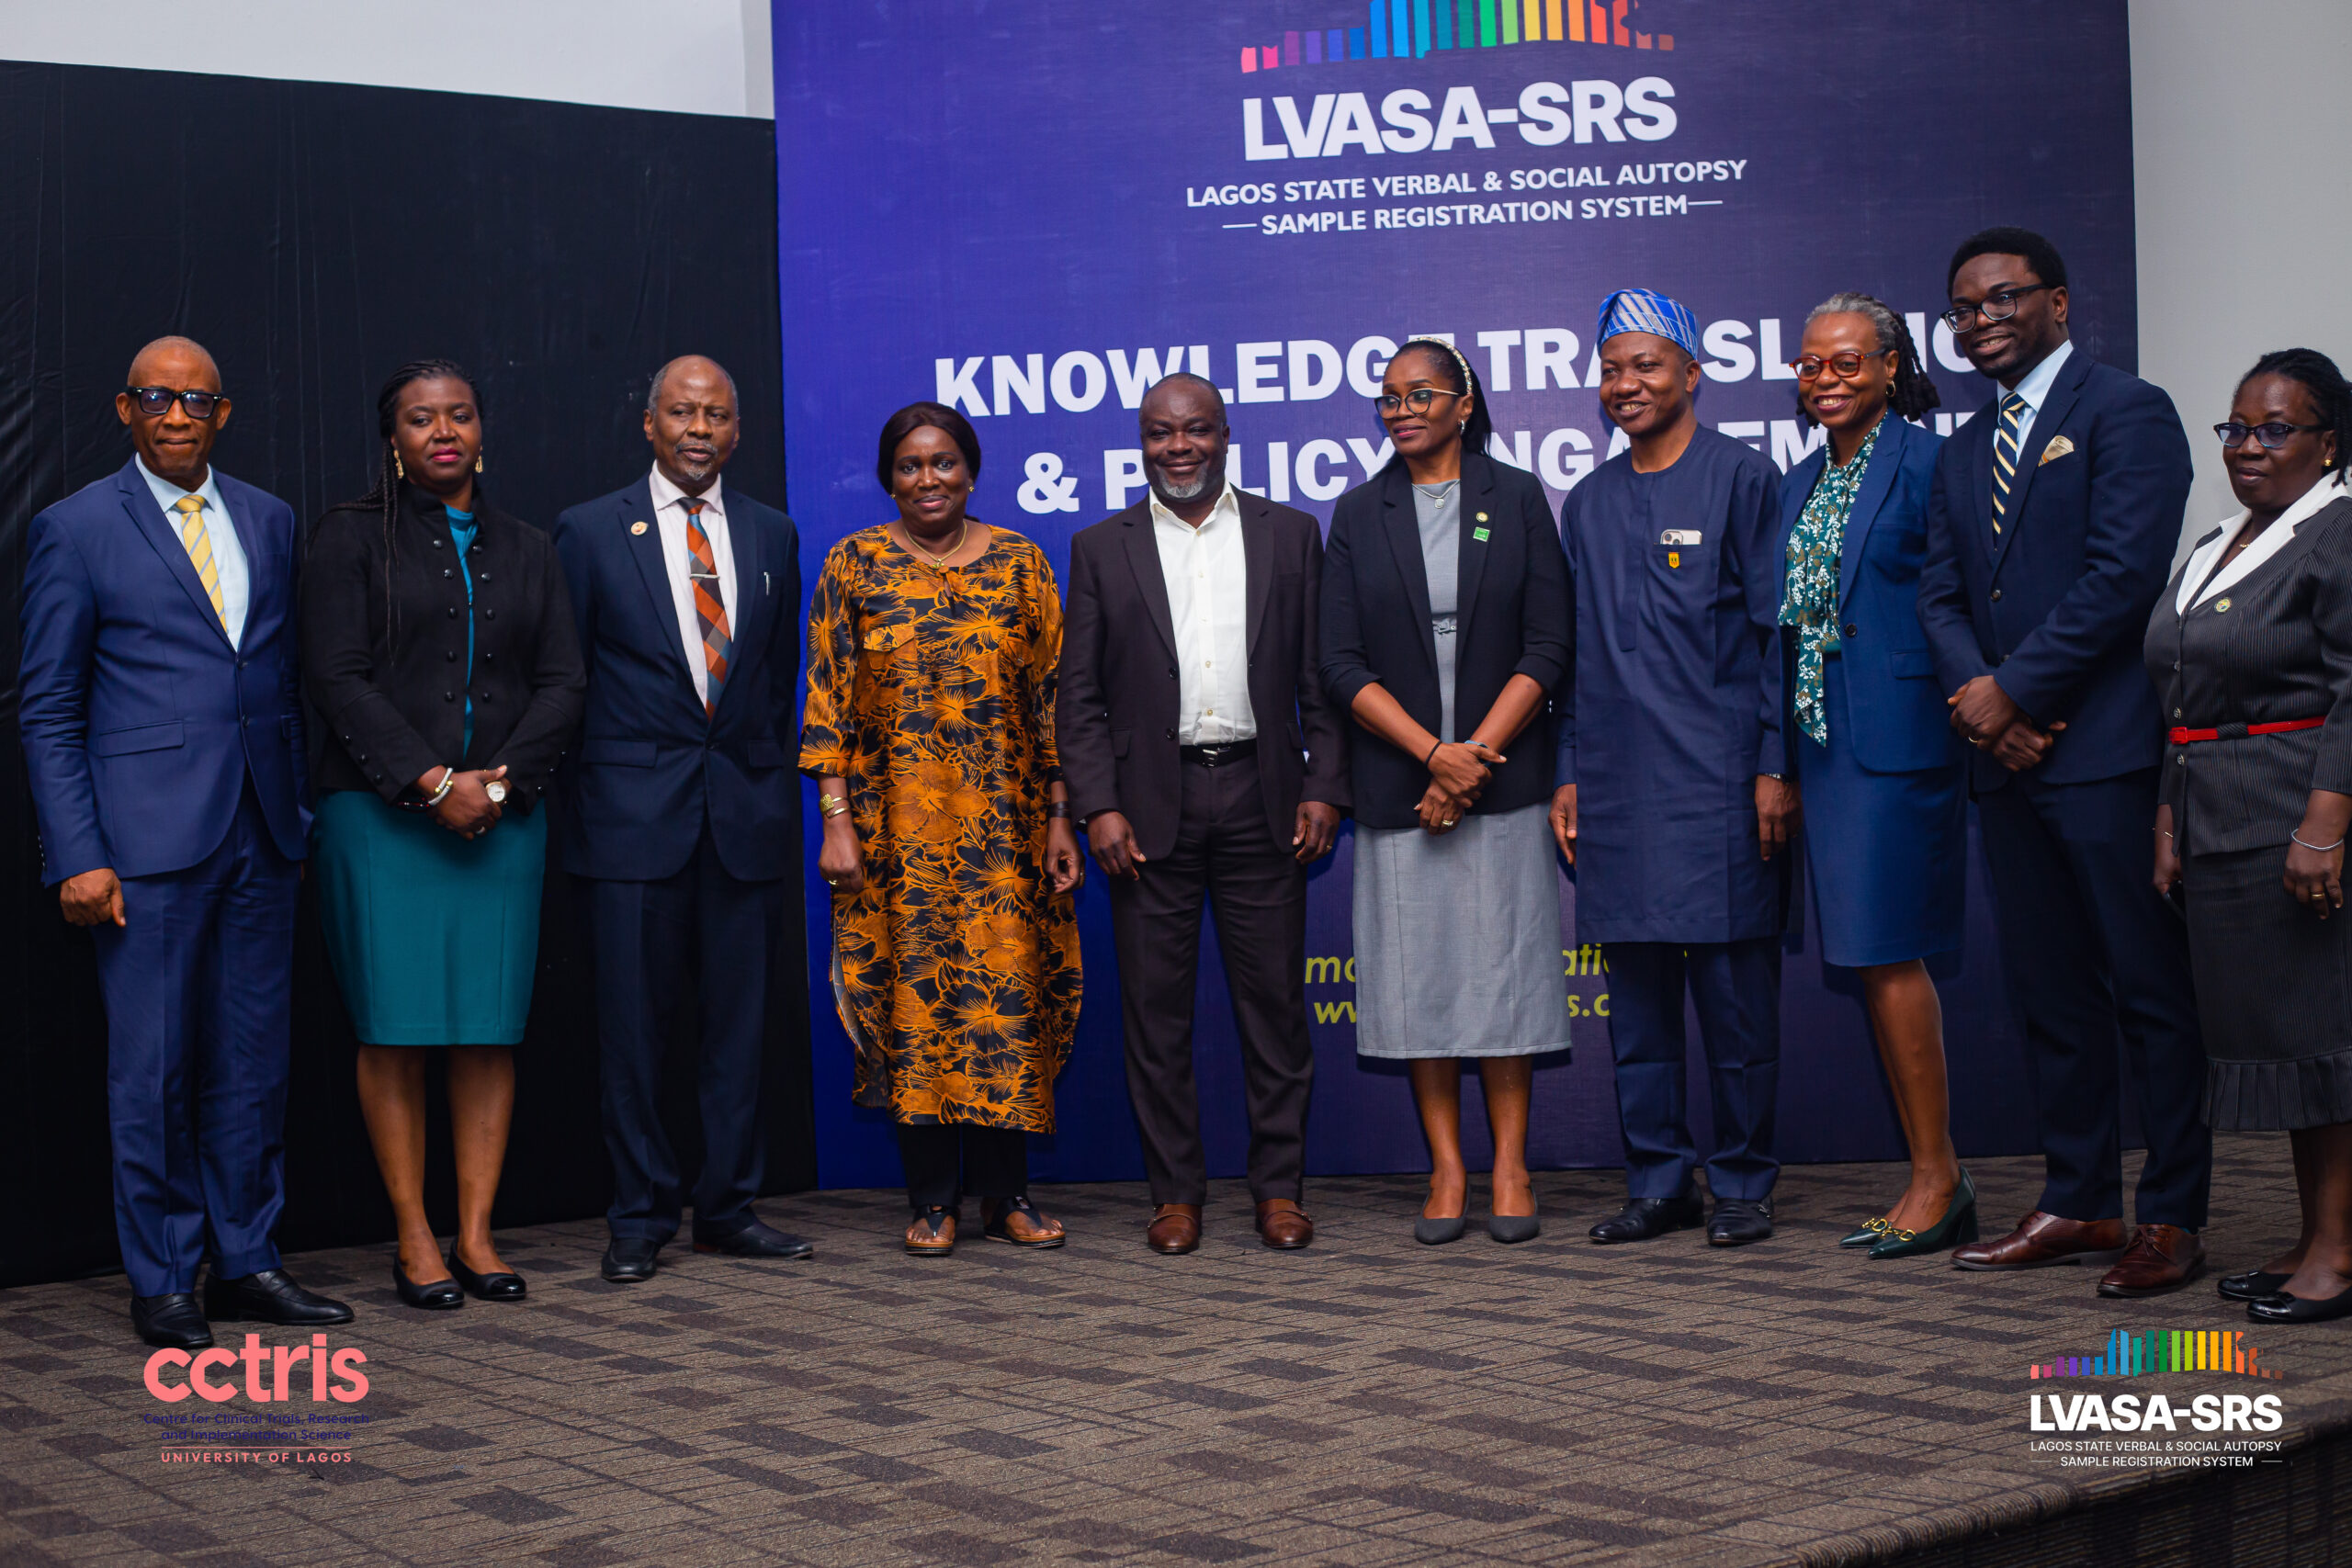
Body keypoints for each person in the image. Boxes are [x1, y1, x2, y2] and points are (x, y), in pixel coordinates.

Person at [19, 336, 351, 1349]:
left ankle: (246, 1260)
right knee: (154, 1070)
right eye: (157, 398)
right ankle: (164, 1278)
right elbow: (48, 707)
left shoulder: (269, 518)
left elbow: (277, 676)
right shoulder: (75, 528)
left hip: (262, 832)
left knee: (253, 1063)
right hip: (142, 845)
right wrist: (78, 852)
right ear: (126, 409)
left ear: (223, 414)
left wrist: (294, 815)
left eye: (195, 401)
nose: (176, 415)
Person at [1917, 227, 2207, 1298]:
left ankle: (2171, 1214)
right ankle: (2081, 1198)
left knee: (2149, 994)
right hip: (2006, 766)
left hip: (2106, 754)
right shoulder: (1960, 449)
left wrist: (2017, 691)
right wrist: (1987, 711)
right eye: (1964, 308)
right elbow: (1939, 596)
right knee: (2050, 994)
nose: (1981, 320)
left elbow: (2123, 574)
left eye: (2002, 298)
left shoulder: (2127, 410)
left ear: (2058, 302)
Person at [303, 359, 585, 1309]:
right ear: (394, 438)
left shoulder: (530, 546)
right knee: (396, 1030)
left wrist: (495, 786)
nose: (443, 431)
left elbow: (564, 682)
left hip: (501, 821)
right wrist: (432, 784)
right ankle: (413, 1235)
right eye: (421, 419)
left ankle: (475, 1232)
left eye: (459, 415)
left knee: (486, 1030)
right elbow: (336, 677)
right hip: (381, 819)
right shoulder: (348, 538)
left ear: (481, 430)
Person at [1058, 374, 1348, 1255]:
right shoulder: (1099, 547)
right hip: (1148, 809)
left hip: (1265, 796)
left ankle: (1279, 1192)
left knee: (1276, 1011)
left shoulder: (1291, 534)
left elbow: (1321, 680)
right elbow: (1079, 696)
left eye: (1194, 430)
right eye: (1159, 433)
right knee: (1156, 1017)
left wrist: (1325, 786)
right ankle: (1174, 1196)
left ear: (1225, 435)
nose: (1177, 447)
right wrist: (1097, 804)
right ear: (1141, 443)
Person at [801, 402, 1084, 1257]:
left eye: (944, 462)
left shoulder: (1023, 563)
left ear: (972, 470)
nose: (928, 479)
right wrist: (837, 823)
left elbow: (1054, 703)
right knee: (917, 1000)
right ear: (890, 478)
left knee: (1004, 1003)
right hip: (895, 836)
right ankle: (932, 1198)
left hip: (1007, 834)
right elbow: (827, 702)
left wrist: (1061, 817)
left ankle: (1006, 1195)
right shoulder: (854, 563)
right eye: (910, 465)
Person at [554, 356, 812, 1285]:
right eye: (681, 412)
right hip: (630, 822)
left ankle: (729, 1208)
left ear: (737, 431)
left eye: (716, 414)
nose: (699, 428)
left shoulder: (774, 532)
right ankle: (639, 1214)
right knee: (632, 1035)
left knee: (738, 1032)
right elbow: (568, 676)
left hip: (743, 817)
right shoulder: (589, 530)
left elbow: (773, 680)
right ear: (650, 424)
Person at [1320, 337, 1571, 1246]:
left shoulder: (1518, 497)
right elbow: (1339, 663)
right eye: (1388, 396)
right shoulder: (1359, 512)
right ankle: (1447, 1168)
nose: (1402, 408)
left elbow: (1549, 644)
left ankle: (1510, 1165)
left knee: (1505, 980)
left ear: (1464, 404)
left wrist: (1472, 760)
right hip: (1401, 783)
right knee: (1417, 981)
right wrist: (1433, 755)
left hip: (1502, 781)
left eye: (1421, 393)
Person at [1553, 289, 1791, 1248]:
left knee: (1736, 1009)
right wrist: (1569, 769)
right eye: (1612, 369)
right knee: (1639, 1014)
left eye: (1646, 365)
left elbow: (1777, 638)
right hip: (1616, 788)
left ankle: (1741, 1184)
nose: (1627, 384)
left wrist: (1774, 764)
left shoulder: (1743, 477)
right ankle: (1659, 1181)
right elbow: (1573, 655)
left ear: (1691, 373)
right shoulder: (1587, 501)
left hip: (1720, 782)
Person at [2147, 349, 2352, 1323]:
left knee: (2324, 1042)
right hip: (2218, 818)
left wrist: (2325, 825)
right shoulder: (2218, 541)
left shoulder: (2338, 536)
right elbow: (2180, 692)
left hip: (2294, 819)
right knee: (2282, 1043)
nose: (2248, 446)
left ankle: (2340, 1252)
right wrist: (2168, 815)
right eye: (2236, 428)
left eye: (2276, 429)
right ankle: (2317, 1233)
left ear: (2329, 444)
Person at [1771, 296, 1973, 1258]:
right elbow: (1784, 629)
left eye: (1847, 362)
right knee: (1868, 957)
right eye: (1811, 365)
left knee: (1890, 955)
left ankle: (1938, 1178)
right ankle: (1931, 1172)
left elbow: (1964, 599)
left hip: (1900, 742)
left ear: (1893, 366)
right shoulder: (1799, 480)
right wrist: (1777, 762)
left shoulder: (1932, 464)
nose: (1826, 379)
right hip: (1824, 746)